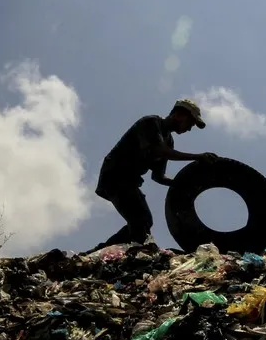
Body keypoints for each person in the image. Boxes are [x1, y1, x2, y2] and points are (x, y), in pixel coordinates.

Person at [89, 99, 217, 251]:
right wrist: (198, 156)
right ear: (179, 115)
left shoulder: (168, 141)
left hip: (129, 181)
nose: (189, 129)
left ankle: (102, 251)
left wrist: (182, 183)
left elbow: (158, 177)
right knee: (140, 220)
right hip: (115, 176)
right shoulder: (151, 123)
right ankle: (136, 251)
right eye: (190, 123)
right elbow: (159, 151)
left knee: (144, 221)